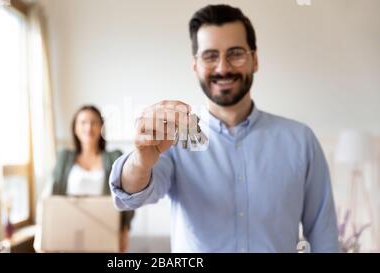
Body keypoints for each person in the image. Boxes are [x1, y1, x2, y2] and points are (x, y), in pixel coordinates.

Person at [109, 4, 339, 252]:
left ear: (255, 60)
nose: (223, 67)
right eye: (210, 56)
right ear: (195, 65)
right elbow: (132, 195)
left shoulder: (300, 140)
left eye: (236, 53)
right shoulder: (174, 138)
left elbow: (323, 234)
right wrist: (140, 161)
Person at [35, 105, 134, 252]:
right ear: (75, 128)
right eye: (83, 122)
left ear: (101, 128)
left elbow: (126, 196)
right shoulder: (64, 157)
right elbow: (50, 195)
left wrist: (125, 232)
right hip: (68, 233)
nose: (88, 127)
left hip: (104, 233)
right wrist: (43, 232)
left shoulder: (114, 157)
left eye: (94, 122)